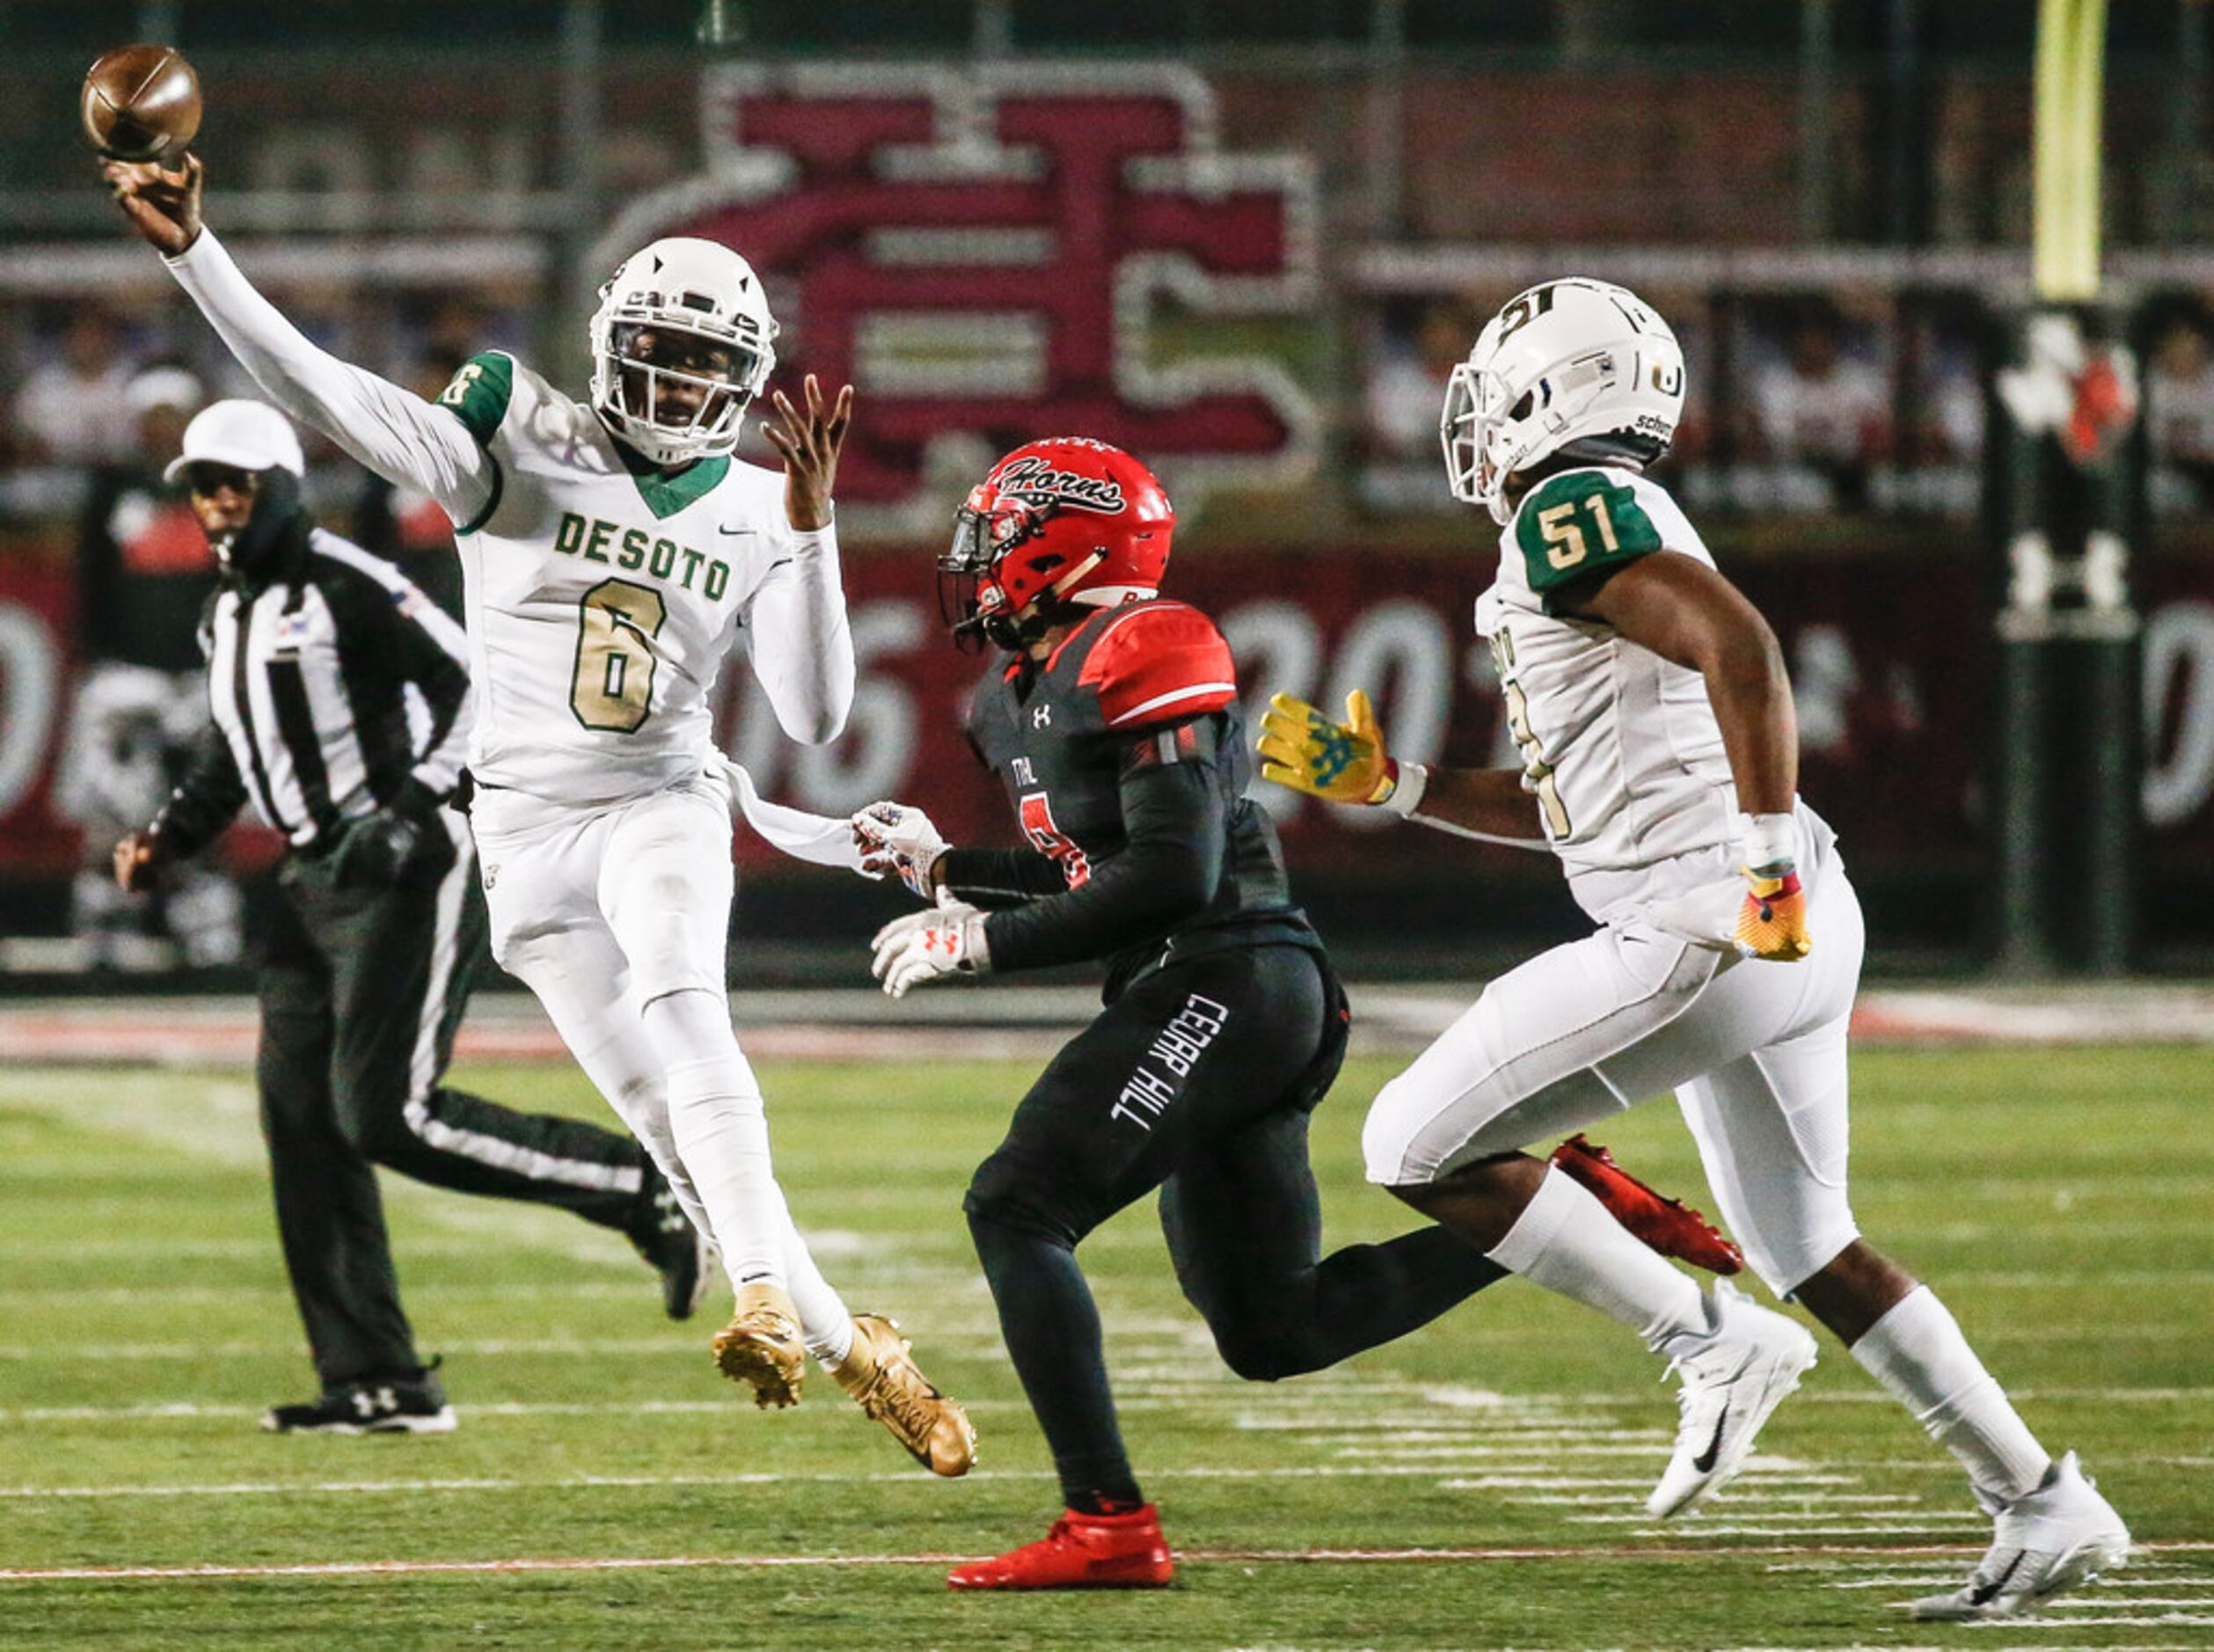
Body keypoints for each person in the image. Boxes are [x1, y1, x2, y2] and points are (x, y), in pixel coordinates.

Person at [1258, 277, 2131, 1620]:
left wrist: (1762, 859)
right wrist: (1389, 780)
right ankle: (2040, 1494)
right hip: (1772, 916)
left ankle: (1708, 1343)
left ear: (1549, 395)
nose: (1477, 422)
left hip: (1713, 917)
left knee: (1411, 1146)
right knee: (1813, 1245)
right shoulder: (1587, 530)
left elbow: (1741, 644)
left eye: (1497, 392)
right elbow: (1573, 808)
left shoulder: (1567, 504)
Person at [100, 150, 974, 1475]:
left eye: (702, 366)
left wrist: (812, 527)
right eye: (658, 355)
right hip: (520, 839)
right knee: (667, 1133)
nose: (679, 388)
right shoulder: (520, 436)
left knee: (688, 1006)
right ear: (609, 348)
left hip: (658, 801)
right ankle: (865, 1355)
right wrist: (196, 253)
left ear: (739, 384)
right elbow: (323, 394)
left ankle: (757, 1298)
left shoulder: (754, 501)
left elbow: (810, 714)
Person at [851, 436, 1742, 1590]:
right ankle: (1572, 1203)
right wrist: (945, 870)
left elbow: (1176, 872)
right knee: (1272, 1328)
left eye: (995, 530)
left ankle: (1106, 1521)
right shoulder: (1009, 694)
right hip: (1205, 986)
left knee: (1018, 1202)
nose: (972, 555)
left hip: (1232, 974)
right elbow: (1096, 875)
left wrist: (981, 941)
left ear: (1063, 543)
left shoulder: (1144, 639)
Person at [114, 398, 712, 1432]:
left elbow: (479, 688)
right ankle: (374, 1377)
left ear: (283, 490)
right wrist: (169, 835)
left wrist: (409, 809)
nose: (215, 506)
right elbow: (232, 749)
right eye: (203, 488)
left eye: (233, 485)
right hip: (309, 884)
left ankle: (640, 1186)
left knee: (390, 1112)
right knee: (304, 1128)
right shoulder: (230, 610)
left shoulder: (352, 584)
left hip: (404, 870)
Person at [55, 364, 245, 970]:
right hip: (124, 677)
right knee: (114, 813)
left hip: (199, 678)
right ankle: (106, 934)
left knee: (198, 812)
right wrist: (91, 663)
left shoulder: (223, 490)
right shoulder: (110, 489)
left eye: (173, 412)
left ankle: (209, 937)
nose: (162, 426)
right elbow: (87, 581)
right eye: (152, 414)